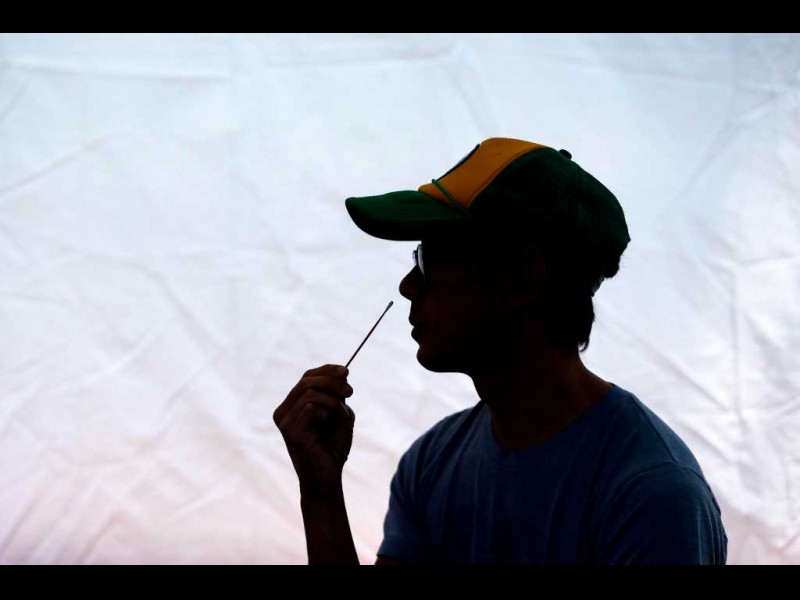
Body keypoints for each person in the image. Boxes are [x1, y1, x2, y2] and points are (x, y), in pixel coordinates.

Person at [273, 137, 728, 565]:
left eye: (429, 260)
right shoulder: (433, 463)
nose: (408, 285)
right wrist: (320, 490)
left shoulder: (651, 496)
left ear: (522, 277)